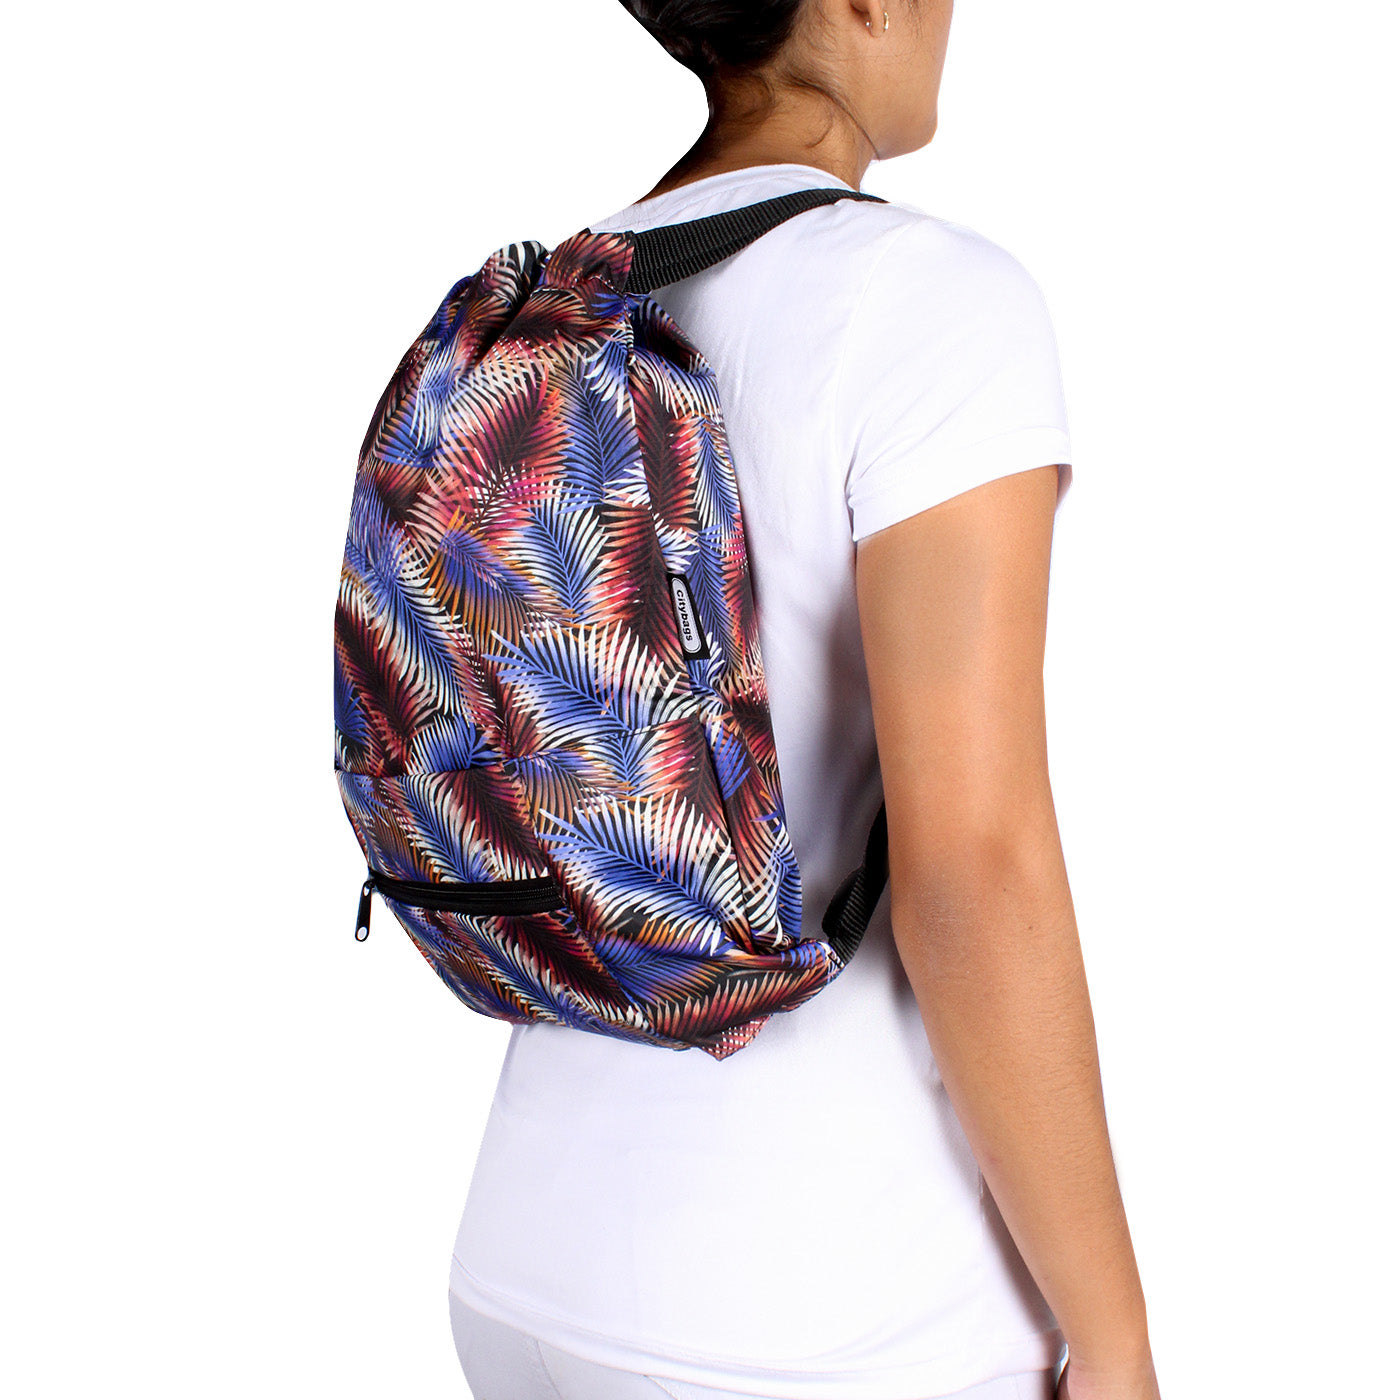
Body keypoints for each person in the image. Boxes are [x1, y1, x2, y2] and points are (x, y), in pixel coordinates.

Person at [447, 3, 1161, 1399]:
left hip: (522, 1266)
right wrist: (1119, 1342)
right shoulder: (929, 300)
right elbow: (976, 874)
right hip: (822, 1309)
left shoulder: (541, 309)